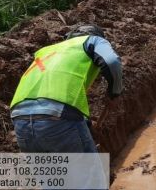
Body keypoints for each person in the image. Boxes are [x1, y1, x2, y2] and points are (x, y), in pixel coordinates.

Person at [10, 24, 123, 153]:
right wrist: (114, 93)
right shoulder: (93, 41)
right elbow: (112, 62)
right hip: (59, 117)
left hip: (19, 120)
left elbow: (46, 99)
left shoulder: (46, 51)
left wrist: (86, 124)